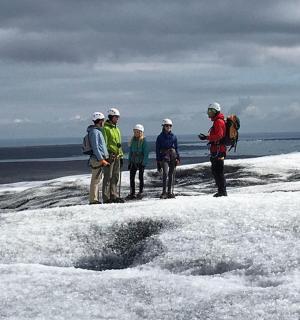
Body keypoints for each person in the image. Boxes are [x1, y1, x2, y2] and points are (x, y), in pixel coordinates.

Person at [199, 102, 227, 197]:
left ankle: (222, 191)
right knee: (217, 171)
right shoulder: (218, 120)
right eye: (209, 111)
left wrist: (207, 137)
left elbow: (219, 135)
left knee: (218, 171)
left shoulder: (218, 121)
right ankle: (221, 191)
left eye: (211, 111)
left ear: (215, 111)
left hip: (218, 150)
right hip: (218, 149)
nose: (209, 113)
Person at [102, 107, 125, 203]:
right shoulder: (105, 129)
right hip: (109, 156)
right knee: (108, 177)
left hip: (117, 155)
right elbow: (104, 143)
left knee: (115, 177)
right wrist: (106, 155)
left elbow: (118, 143)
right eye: (116, 117)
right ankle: (106, 198)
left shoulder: (117, 129)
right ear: (111, 117)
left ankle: (113, 196)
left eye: (118, 117)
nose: (117, 119)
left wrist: (121, 155)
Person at [87, 112, 110, 204]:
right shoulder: (95, 132)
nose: (103, 122)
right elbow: (96, 147)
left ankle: (95, 199)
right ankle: (93, 200)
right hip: (97, 159)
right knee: (95, 180)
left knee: (97, 180)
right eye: (103, 120)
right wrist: (102, 159)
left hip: (98, 159)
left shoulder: (95, 131)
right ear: (100, 121)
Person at [156, 119, 180, 199]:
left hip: (173, 155)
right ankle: (164, 192)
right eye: (166, 125)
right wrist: (158, 160)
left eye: (170, 125)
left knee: (171, 174)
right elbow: (157, 149)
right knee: (165, 173)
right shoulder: (160, 137)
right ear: (163, 126)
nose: (168, 127)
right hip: (164, 156)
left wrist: (178, 158)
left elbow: (176, 148)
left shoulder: (174, 136)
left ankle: (169, 192)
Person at [126, 124, 149, 200]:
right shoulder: (133, 140)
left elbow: (146, 153)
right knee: (131, 177)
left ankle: (141, 192)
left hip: (141, 161)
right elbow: (130, 152)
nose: (136, 133)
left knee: (140, 177)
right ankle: (132, 193)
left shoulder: (144, 141)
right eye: (135, 132)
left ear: (141, 132)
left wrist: (144, 163)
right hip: (133, 161)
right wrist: (129, 162)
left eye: (137, 132)